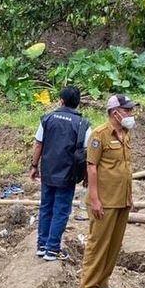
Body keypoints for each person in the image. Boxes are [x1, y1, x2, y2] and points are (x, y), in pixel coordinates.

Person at [80, 94, 136, 288]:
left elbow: (126, 167)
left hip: (122, 199)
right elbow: (91, 168)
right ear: (116, 113)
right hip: (104, 200)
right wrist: (95, 199)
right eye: (128, 110)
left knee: (114, 244)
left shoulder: (126, 133)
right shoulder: (99, 135)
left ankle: (103, 282)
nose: (131, 114)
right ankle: (88, 284)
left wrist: (130, 196)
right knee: (98, 243)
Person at [31, 86, 90, 261]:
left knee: (46, 207)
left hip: (48, 172)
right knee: (61, 211)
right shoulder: (83, 124)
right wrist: (86, 176)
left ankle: (42, 246)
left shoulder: (47, 118)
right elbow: (87, 153)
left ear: (61, 101)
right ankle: (52, 249)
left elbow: (38, 144)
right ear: (78, 104)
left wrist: (34, 166)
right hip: (68, 174)